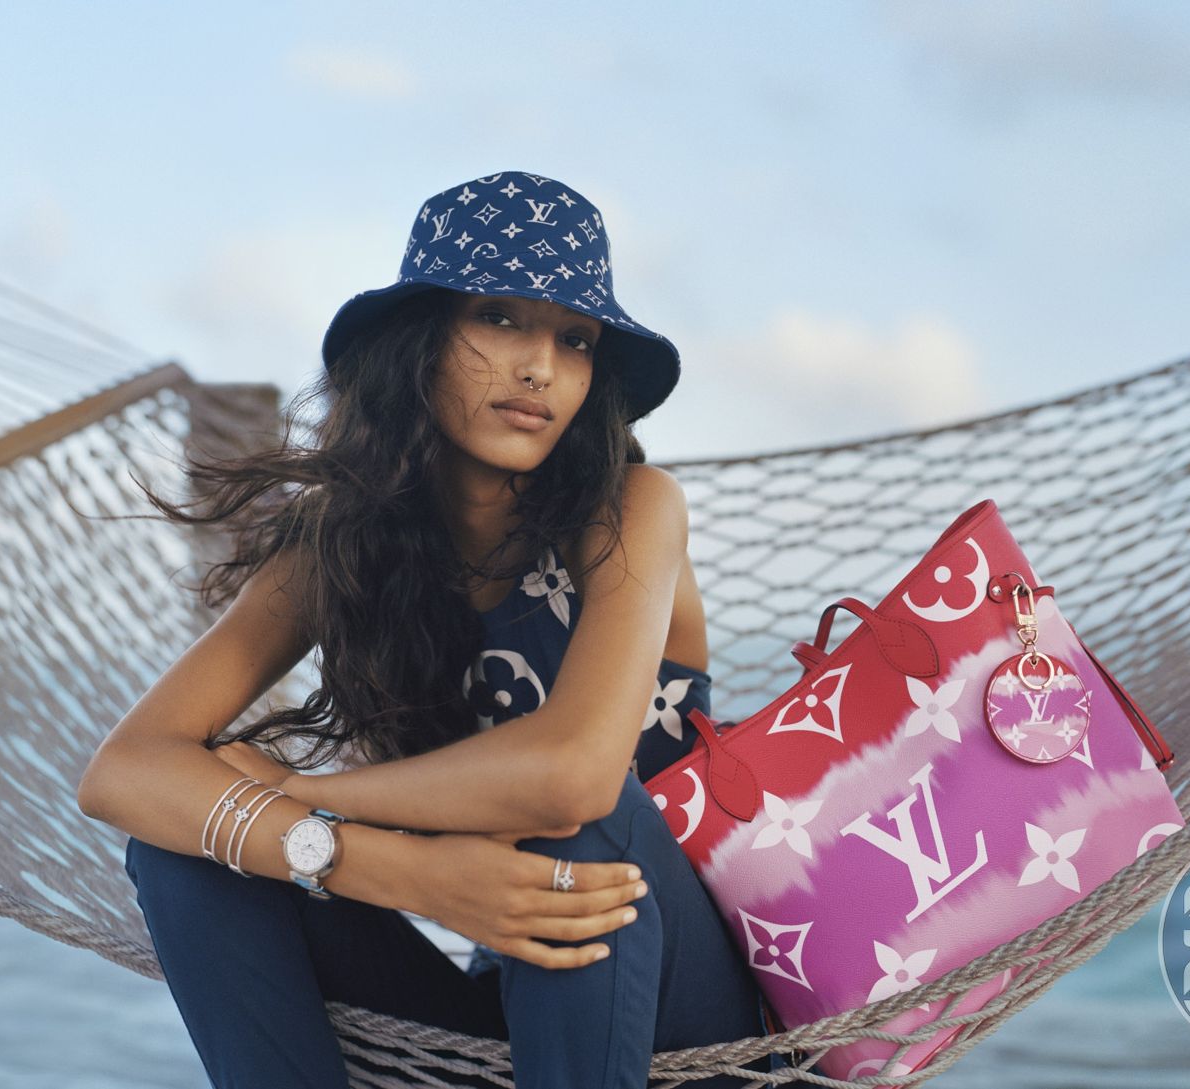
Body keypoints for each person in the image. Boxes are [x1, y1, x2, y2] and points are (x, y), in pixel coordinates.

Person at [74, 169, 771, 1089]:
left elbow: (572, 777)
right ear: (420, 340)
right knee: (189, 849)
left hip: (694, 1023)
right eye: (499, 317)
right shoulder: (338, 545)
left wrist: (307, 797)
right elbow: (123, 772)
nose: (540, 367)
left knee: (577, 819)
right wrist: (383, 868)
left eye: (574, 338)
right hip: (510, 1014)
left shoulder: (631, 510)